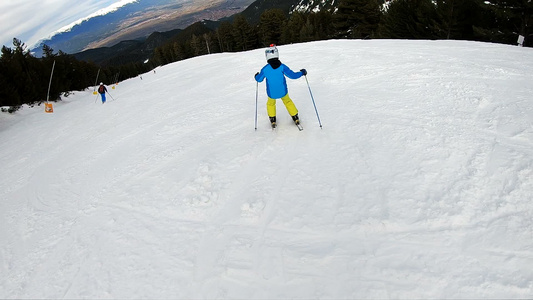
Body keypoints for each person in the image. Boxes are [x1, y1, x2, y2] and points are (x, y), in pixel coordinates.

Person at [254, 44, 307, 128]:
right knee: (287, 101)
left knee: (271, 103)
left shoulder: (265, 69)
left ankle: (272, 119)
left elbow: (259, 79)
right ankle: (295, 117)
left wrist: (256, 76)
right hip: (283, 92)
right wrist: (302, 73)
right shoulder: (282, 67)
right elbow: (293, 75)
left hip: (272, 93)